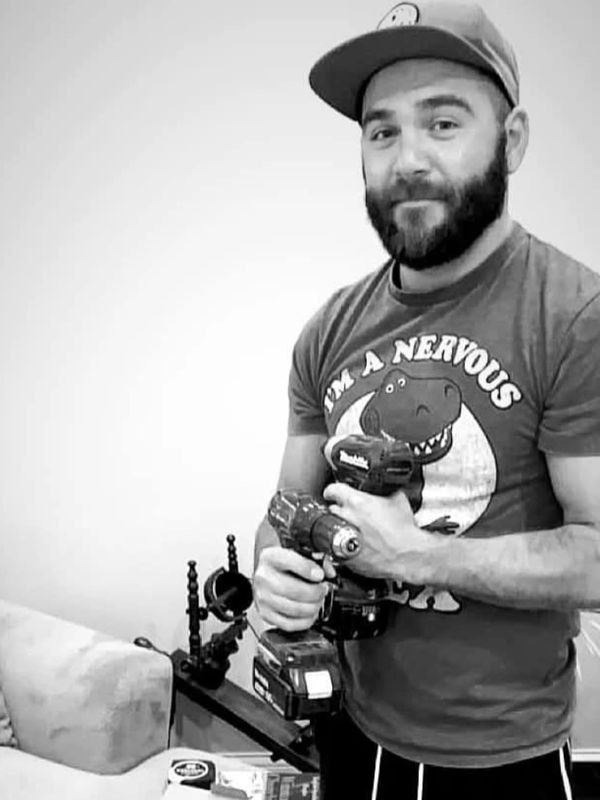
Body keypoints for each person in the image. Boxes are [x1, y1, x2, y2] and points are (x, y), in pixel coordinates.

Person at [252, 2, 600, 798]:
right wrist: (279, 574)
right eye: (382, 131)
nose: (407, 159)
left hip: (502, 762)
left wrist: (420, 556)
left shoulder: (575, 318)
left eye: (443, 123)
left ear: (510, 139)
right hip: (353, 732)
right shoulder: (328, 329)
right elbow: (286, 506)